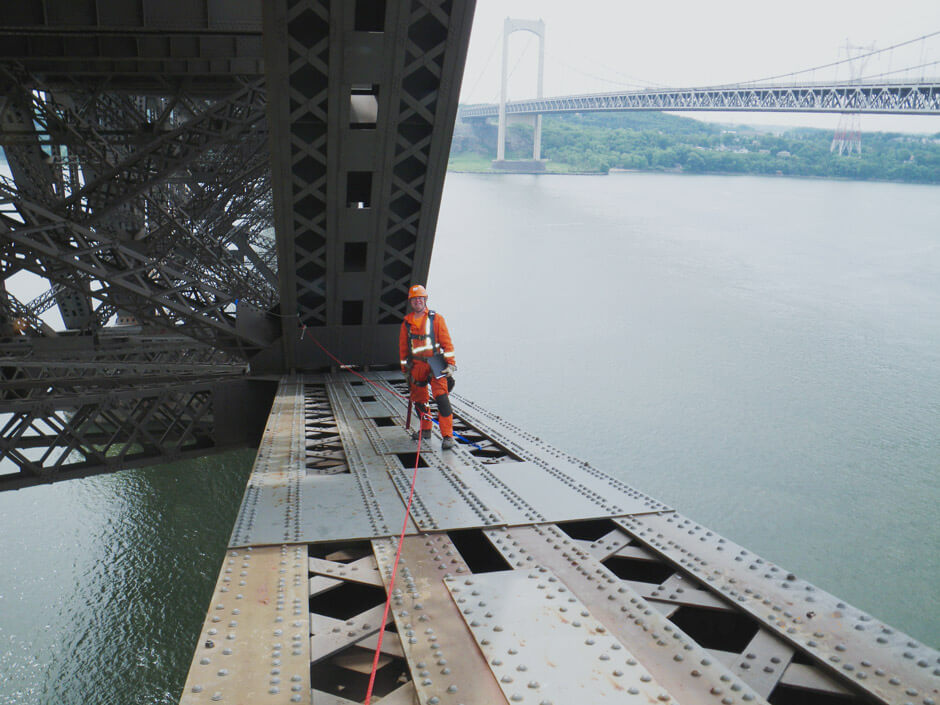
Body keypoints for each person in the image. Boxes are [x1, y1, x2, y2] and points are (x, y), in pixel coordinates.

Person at [399, 284, 457, 450]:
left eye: (420, 298)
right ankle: (426, 429)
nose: (418, 301)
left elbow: (447, 343)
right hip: (416, 365)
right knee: (419, 400)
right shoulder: (407, 323)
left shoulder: (436, 319)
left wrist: (451, 364)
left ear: (425, 300)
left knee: (442, 398)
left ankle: (447, 436)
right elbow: (403, 348)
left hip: (435, 363)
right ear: (411, 302)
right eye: (415, 299)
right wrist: (405, 370)